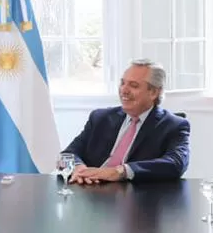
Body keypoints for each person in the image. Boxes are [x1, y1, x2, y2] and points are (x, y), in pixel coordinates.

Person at [62, 59, 190, 184]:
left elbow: (176, 163)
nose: (124, 90)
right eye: (122, 83)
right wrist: (79, 168)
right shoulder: (100, 118)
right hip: (91, 191)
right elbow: (66, 155)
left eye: (133, 85)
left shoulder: (174, 125)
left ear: (154, 92)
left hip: (137, 199)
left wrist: (121, 171)